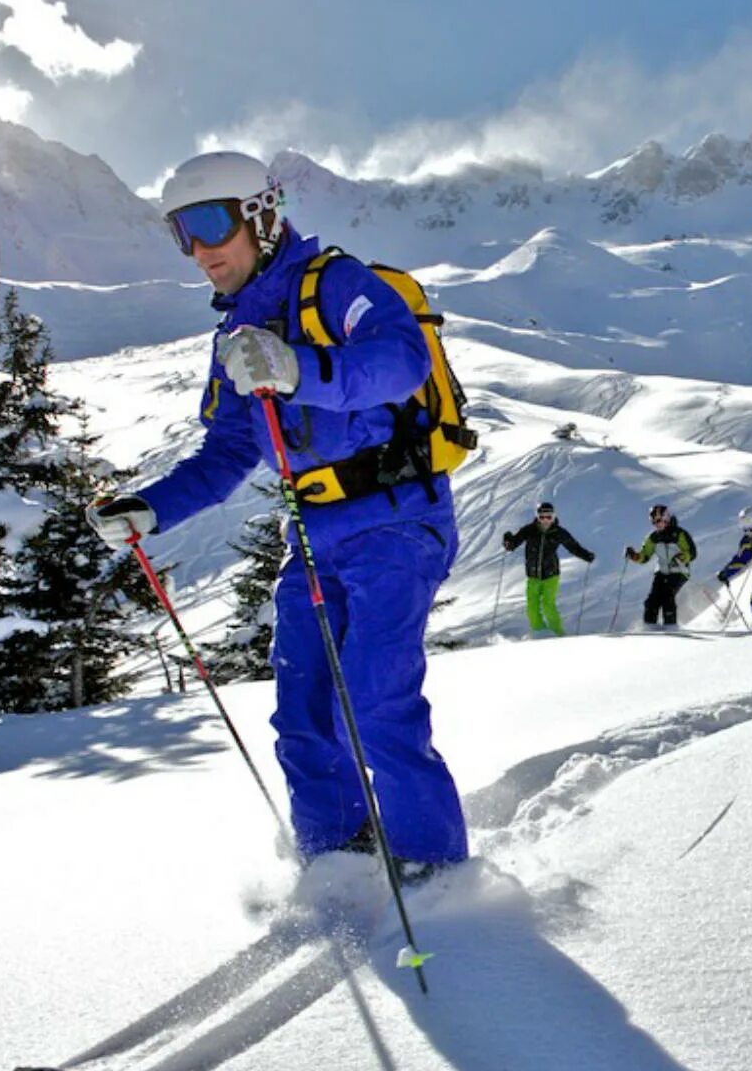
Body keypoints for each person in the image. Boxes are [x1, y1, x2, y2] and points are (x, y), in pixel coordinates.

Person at [85, 150, 466, 878]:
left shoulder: (336, 285)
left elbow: (400, 362)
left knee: (377, 699)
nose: (198, 252)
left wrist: (301, 368)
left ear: (262, 214)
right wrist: (149, 510)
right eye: (180, 233)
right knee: (303, 716)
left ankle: (437, 870)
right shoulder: (234, 340)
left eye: (208, 224)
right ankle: (337, 860)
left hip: (396, 519)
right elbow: (228, 453)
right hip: (314, 539)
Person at [501, 501, 595, 636]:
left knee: (547, 605)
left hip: (551, 575)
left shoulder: (558, 532)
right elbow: (513, 544)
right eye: (542, 516)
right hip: (533, 576)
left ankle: (558, 634)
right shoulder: (529, 530)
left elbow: (573, 547)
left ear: (553, 516)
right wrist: (508, 542)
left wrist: (586, 555)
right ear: (537, 516)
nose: (545, 520)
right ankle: (541, 633)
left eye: (548, 517)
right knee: (532, 608)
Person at [625, 503, 696, 627]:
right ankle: (649, 627)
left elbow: (692, 552)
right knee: (652, 600)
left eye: (658, 521)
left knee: (667, 597)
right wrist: (635, 556)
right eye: (653, 522)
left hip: (679, 571)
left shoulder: (679, 534)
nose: (656, 524)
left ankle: (671, 627)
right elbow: (645, 556)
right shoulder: (653, 538)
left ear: (666, 518)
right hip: (662, 572)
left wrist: (682, 557)